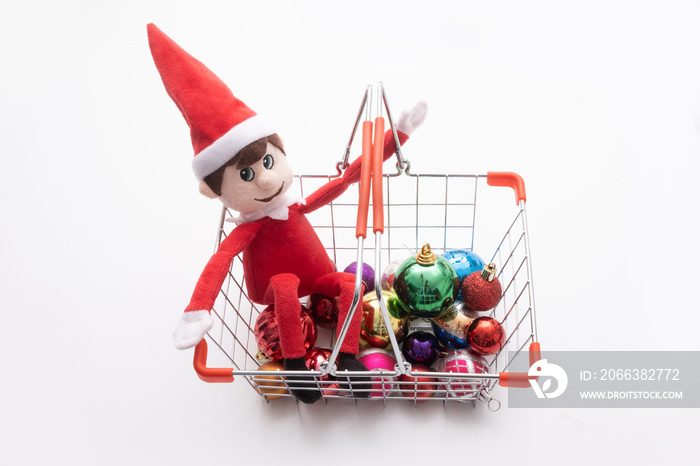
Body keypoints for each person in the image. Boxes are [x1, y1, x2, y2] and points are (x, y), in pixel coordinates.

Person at [148, 23, 427, 403]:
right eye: (245, 175)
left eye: (266, 161)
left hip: (317, 275)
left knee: (351, 285)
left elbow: (349, 177)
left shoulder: (295, 207)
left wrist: (396, 138)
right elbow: (221, 259)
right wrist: (198, 310)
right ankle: (296, 367)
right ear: (216, 191)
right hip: (273, 288)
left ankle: (345, 358)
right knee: (283, 284)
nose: (264, 181)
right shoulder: (250, 228)